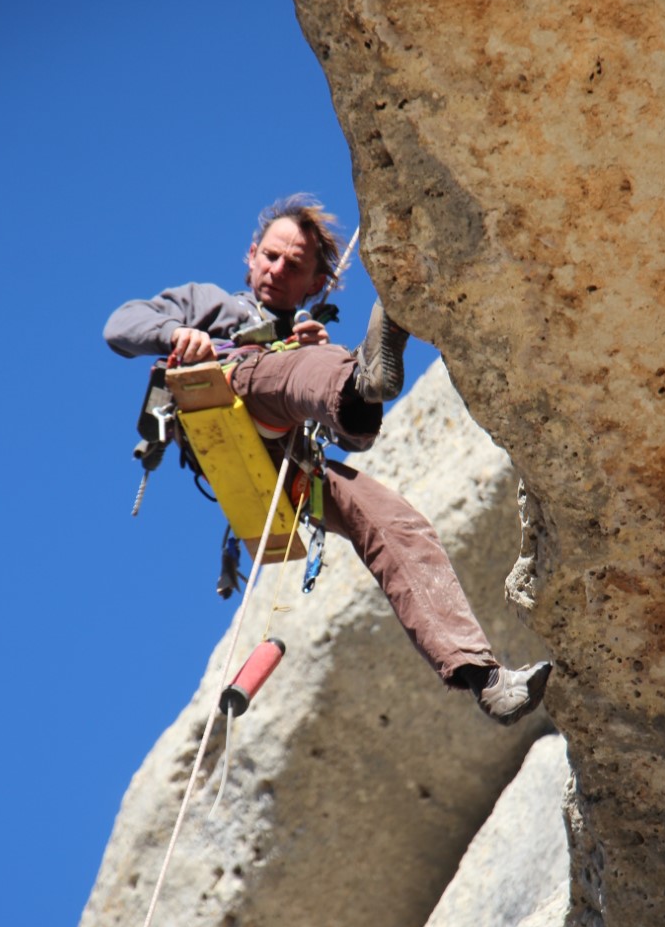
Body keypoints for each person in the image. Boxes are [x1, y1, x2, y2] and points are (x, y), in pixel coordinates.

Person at [104, 195, 551, 725]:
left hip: (288, 459)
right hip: (224, 398)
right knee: (299, 368)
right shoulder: (210, 304)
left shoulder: (304, 336)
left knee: (395, 522)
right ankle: (359, 382)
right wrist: (177, 333)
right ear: (250, 255)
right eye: (269, 257)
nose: (276, 270)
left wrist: (315, 354)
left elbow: (354, 441)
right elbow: (121, 325)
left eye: (293, 266)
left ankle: (484, 679)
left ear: (316, 284)